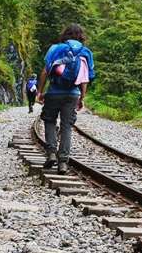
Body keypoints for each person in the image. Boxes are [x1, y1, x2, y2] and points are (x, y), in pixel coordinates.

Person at [35, 24, 96, 174]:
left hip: (54, 92)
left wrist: (40, 92)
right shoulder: (85, 52)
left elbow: (45, 72)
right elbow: (85, 78)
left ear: (65, 35)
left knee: (49, 121)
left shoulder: (55, 48)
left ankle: (50, 153)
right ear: (81, 36)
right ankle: (63, 162)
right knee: (66, 127)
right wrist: (82, 97)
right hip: (73, 94)